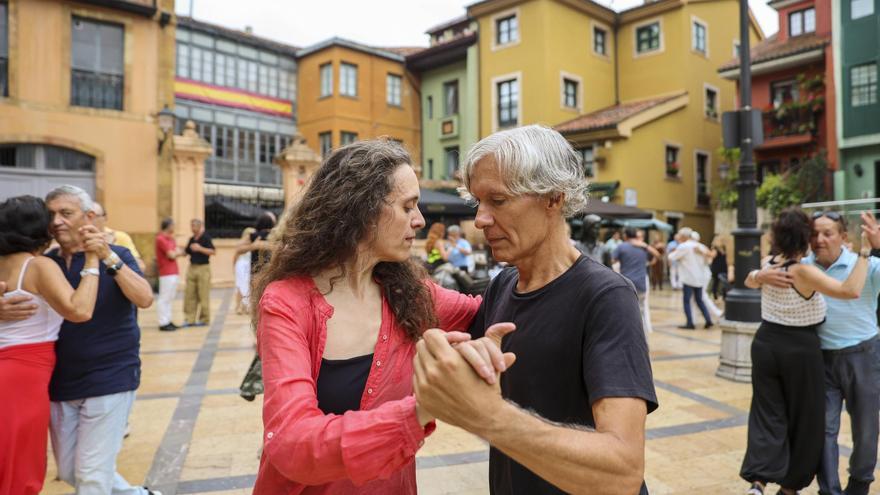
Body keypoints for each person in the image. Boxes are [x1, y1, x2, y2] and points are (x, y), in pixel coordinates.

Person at [248, 139, 508, 494]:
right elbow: (291, 442)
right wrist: (420, 410)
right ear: (362, 210)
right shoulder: (287, 302)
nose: (419, 221)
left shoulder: (409, 292)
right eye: (407, 206)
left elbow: (485, 311)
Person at [414, 125, 658, 494]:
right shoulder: (503, 284)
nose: (480, 219)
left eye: (498, 200)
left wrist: (490, 417)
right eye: (478, 202)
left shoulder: (606, 296)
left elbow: (621, 471)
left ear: (553, 198)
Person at [0, 185, 157, 495]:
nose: (56, 221)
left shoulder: (117, 255)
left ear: (88, 216)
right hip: (59, 383)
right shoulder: (44, 262)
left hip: (109, 376)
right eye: (51, 214)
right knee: (72, 471)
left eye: (65, 213)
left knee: (91, 477)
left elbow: (144, 298)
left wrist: (104, 256)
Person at [741, 208, 872, 495]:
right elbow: (849, 291)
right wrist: (865, 253)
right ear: (804, 238)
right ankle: (790, 486)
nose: (818, 240)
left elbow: (748, 280)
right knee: (808, 420)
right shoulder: (804, 270)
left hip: (766, 343)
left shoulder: (769, 264)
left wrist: (758, 275)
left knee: (767, 413)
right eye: (814, 234)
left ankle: (758, 481)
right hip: (799, 349)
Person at [0, 195, 100, 495]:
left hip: (10, 370)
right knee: (21, 464)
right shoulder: (39, 266)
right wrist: (92, 262)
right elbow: (79, 310)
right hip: (23, 376)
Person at [612, 227, 660, 337]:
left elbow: (612, 260)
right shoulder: (643, 247)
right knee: (642, 311)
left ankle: (628, 335)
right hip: (642, 283)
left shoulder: (621, 247)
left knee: (626, 310)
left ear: (625, 236)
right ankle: (643, 336)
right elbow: (657, 256)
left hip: (626, 284)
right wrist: (646, 246)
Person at [669, 228, 714, 329]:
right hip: (699, 277)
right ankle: (708, 320)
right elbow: (709, 259)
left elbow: (672, 257)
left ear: (684, 236)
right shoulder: (700, 246)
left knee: (686, 301)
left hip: (688, 278)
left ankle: (690, 323)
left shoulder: (683, 246)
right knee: (699, 300)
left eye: (680, 235)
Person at [92, 202, 146, 273]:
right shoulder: (77, 239)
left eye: (94, 216)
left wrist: (111, 253)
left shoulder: (119, 237)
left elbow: (140, 267)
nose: (90, 220)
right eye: (86, 216)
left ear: (104, 217)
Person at [184, 219, 214, 327]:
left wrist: (200, 248)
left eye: (194, 226)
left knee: (203, 294)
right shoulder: (192, 239)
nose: (192, 228)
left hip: (203, 268)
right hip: (192, 268)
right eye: (191, 226)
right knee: (190, 294)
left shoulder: (206, 237)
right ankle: (190, 319)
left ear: (200, 226)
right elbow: (186, 251)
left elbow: (212, 251)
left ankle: (205, 318)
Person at [155, 218, 183, 331]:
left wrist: (176, 252)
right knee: (164, 298)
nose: (174, 227)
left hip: (174, 271)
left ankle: (168, 320)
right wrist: (177, 252)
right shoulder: (160, 238)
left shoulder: (171, 239)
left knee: (170, 298)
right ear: (168, 226)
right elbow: (171, 254)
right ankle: (163, 322)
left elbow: (176, 252)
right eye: (173, 225)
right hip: (166, 272)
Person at [233, 227, 255, 315]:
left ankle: (246, 306)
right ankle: (238, 306)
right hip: (241, 267)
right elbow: (235, 256)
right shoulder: (241, 244)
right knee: (240, 286)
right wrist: (234, 267)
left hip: (249, 267)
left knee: (248, 287)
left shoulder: (254, 243)